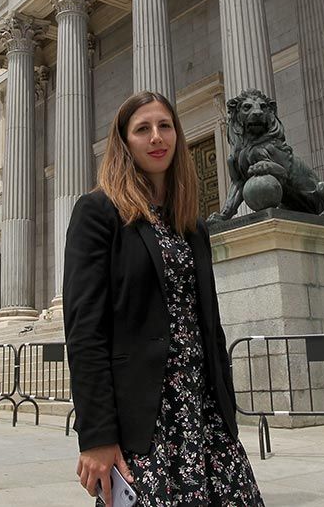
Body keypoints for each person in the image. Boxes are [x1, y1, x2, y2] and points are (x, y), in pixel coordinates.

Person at [64, 91, 263, 506]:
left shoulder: (191, 226)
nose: (157, 137)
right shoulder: (99, 212)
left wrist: (226, 410)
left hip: (204, 414)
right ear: (125, 142)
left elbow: (209, 323)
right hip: (146, 419)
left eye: (165, 126)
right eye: (143, 129)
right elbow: (85, 332)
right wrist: (97, 436)